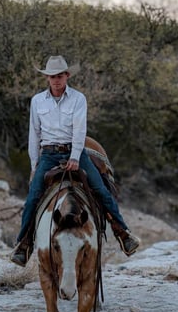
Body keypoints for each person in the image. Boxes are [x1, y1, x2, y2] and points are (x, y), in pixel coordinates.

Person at [10, 55, 141, 266]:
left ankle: (123, 233)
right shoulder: (37, 101)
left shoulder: (78, 99)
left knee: (101, 190)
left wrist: (74, 157)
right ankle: (23, 244)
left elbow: (80, 130)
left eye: (60, 76)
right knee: (33, 197)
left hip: (75, 151)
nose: (56, 80)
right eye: (52, 76)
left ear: (67, 76)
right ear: (47, 78)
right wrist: (34, 165)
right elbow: (34, 134)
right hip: (49, 154)